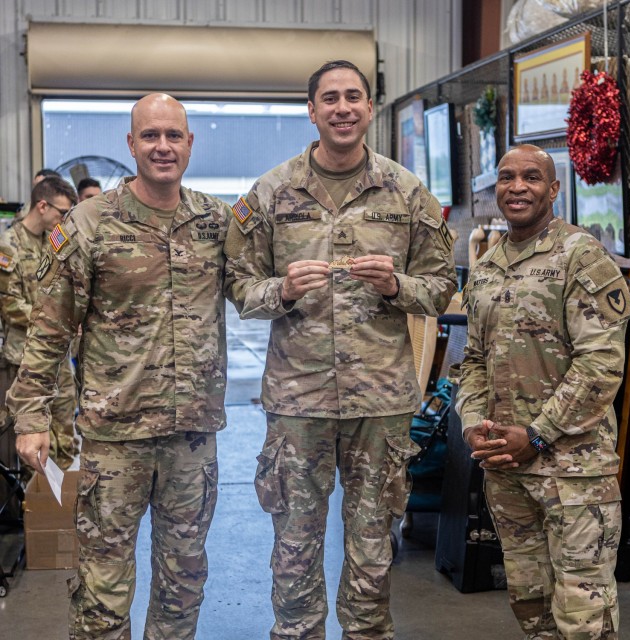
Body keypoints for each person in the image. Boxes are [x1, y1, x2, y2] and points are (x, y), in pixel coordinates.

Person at [224, 60, 457, 639]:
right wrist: (280, 290)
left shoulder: (406, 193)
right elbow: (237, 285)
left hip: (380, 401)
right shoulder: (271, 193)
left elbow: (442, 286)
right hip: (298, 403)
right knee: (296, 544)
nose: (343, 108)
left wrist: (396, 286)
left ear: (370, 107)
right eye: (330, 98)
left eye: (354, 96)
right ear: (312, 110)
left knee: (373, 543)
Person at [8, 93, 230, 639]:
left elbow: (255, 285)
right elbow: (50, 324)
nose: (162, 146)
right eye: (150, 136)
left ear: (190, 144)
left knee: (183, 582)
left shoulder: (215, 220)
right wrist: (31, 414)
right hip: (115, 439)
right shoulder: (88, 223)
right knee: (102, 589)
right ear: (131, 144)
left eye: (173, 135)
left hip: (192, 440)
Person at [456, 144, 630, 639]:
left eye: (531, 177)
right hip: (507, 472)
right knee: (531, 609)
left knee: (583, 618)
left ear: (553, 189)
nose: (517, 187)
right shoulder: (487, 269)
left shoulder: (581, 256)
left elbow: (600, 364)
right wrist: (473, 427)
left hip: (573, 475)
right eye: (507, 178)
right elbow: (472, 362)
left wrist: (536, 434)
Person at [0, 176, 79, 469]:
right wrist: (56, 319)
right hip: (26, 360)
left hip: (59, 357)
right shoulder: (8, 246)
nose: (64, 219)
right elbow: (10, 308)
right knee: (31, 439)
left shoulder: (55, 241)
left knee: (65, 435)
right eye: (61, 212)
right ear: (42, 205)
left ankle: (56, 505)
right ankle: (35, 507)